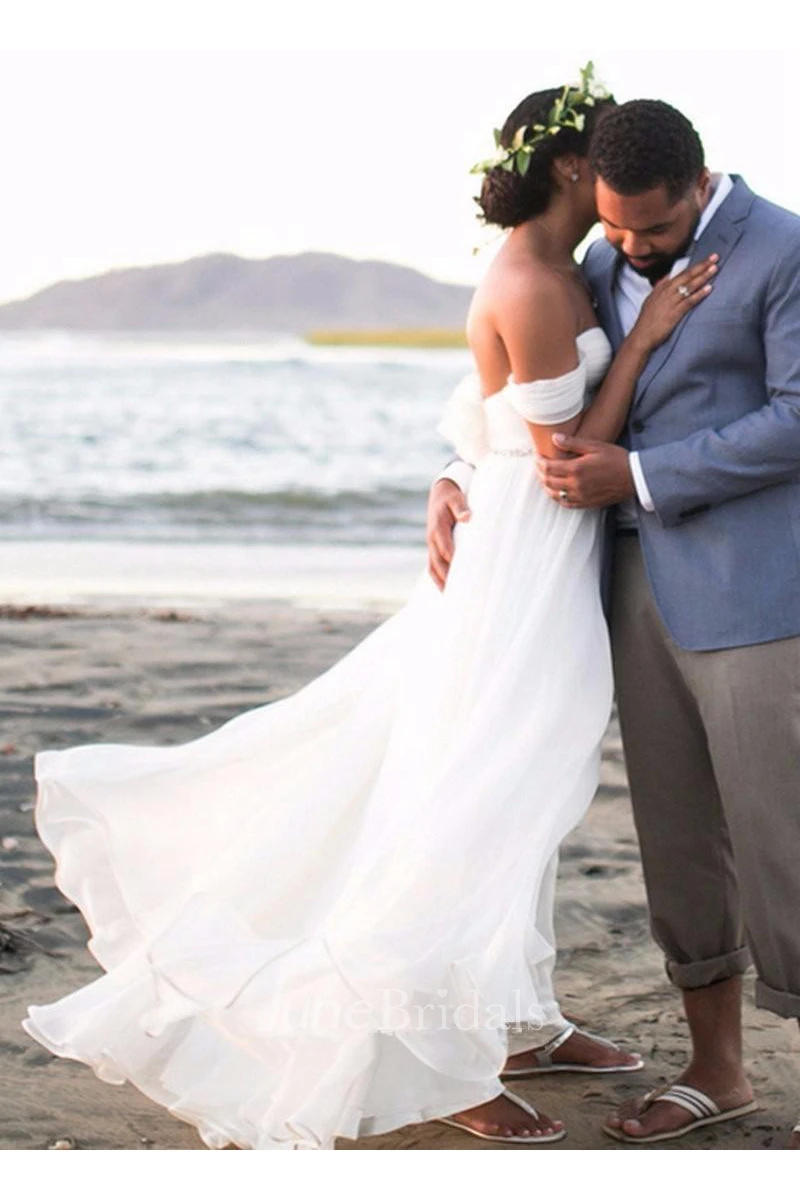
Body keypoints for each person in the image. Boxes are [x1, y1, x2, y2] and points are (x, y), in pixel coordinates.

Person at [22, 73, 712, 1151]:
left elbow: (472, 412)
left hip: (536, 552)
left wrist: (455, 467)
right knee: (475, 796)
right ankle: (426, 1063)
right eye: (601, 159)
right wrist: (641, 340)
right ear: (573, 168)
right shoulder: (533, 282)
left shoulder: (566, 266)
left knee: (520, 794)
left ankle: (512, 1019)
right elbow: (563, 454)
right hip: (523, 567)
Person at [430, 97, 800, 1149]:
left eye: (651, 228)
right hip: (624, 594)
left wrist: (636, 474)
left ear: (699, 181)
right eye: (616, 226)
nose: (629, 245)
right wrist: (457, 472)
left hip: (755, 589)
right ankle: (714, 1070)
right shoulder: (594, 251)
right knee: (676, 840)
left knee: (782, 834)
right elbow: (519, 389)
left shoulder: (780, 250)